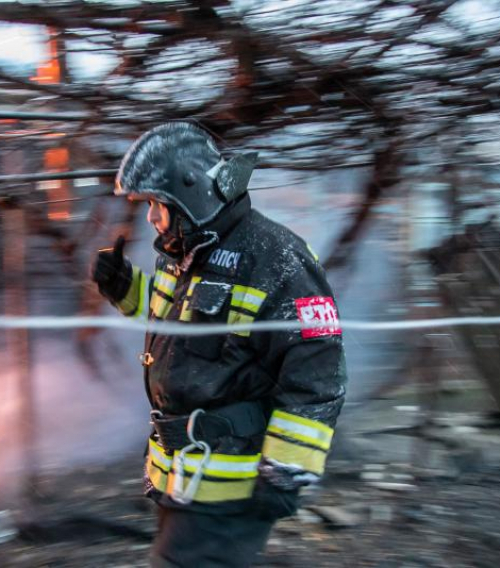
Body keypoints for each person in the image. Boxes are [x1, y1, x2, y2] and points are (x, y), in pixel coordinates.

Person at [92, 122, 347, 567]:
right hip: (183, 476)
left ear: (191, 196)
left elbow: (317, 371)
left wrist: (286, 470)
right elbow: (182, 328)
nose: (151, 217)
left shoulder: (277, 258)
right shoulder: (185, 253)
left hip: (231, 483)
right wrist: (125, 289)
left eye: (157, 203)